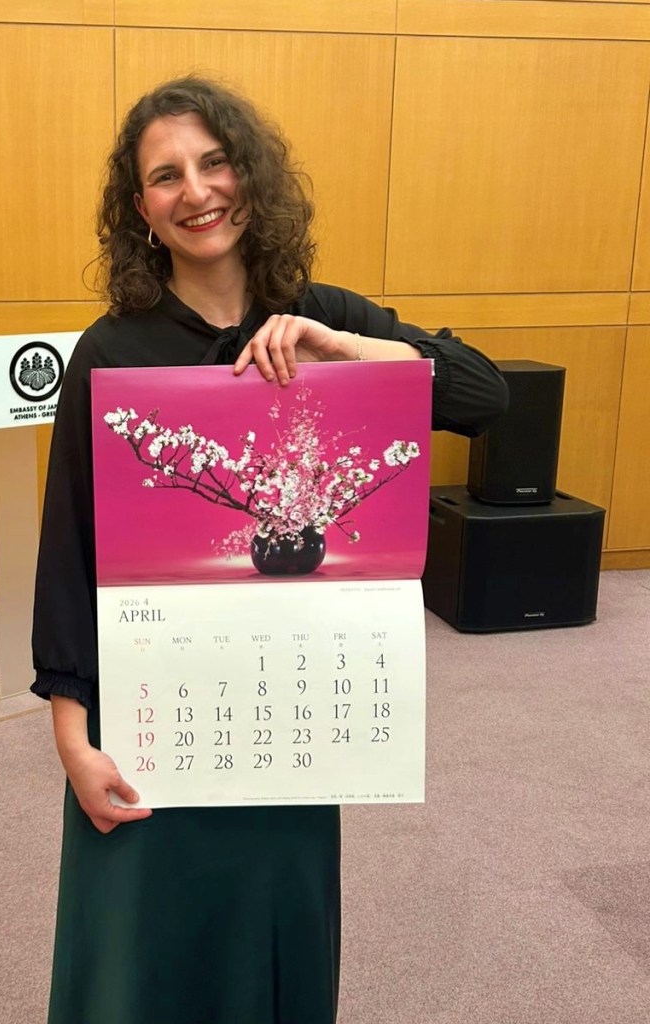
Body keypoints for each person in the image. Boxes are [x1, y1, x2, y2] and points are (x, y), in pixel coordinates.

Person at [31, 77, 507, 1024]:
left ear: (250, 175)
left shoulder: (320, 313)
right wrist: (72, 741)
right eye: (166, 176)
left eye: (215, 163)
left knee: (270, 939)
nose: (197, 191)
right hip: (157, 705)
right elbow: (69, 549)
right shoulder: (111, 351)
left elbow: (485, 396)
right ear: (141, 210)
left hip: (289, 711)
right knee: (140, 949)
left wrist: (349, 349)